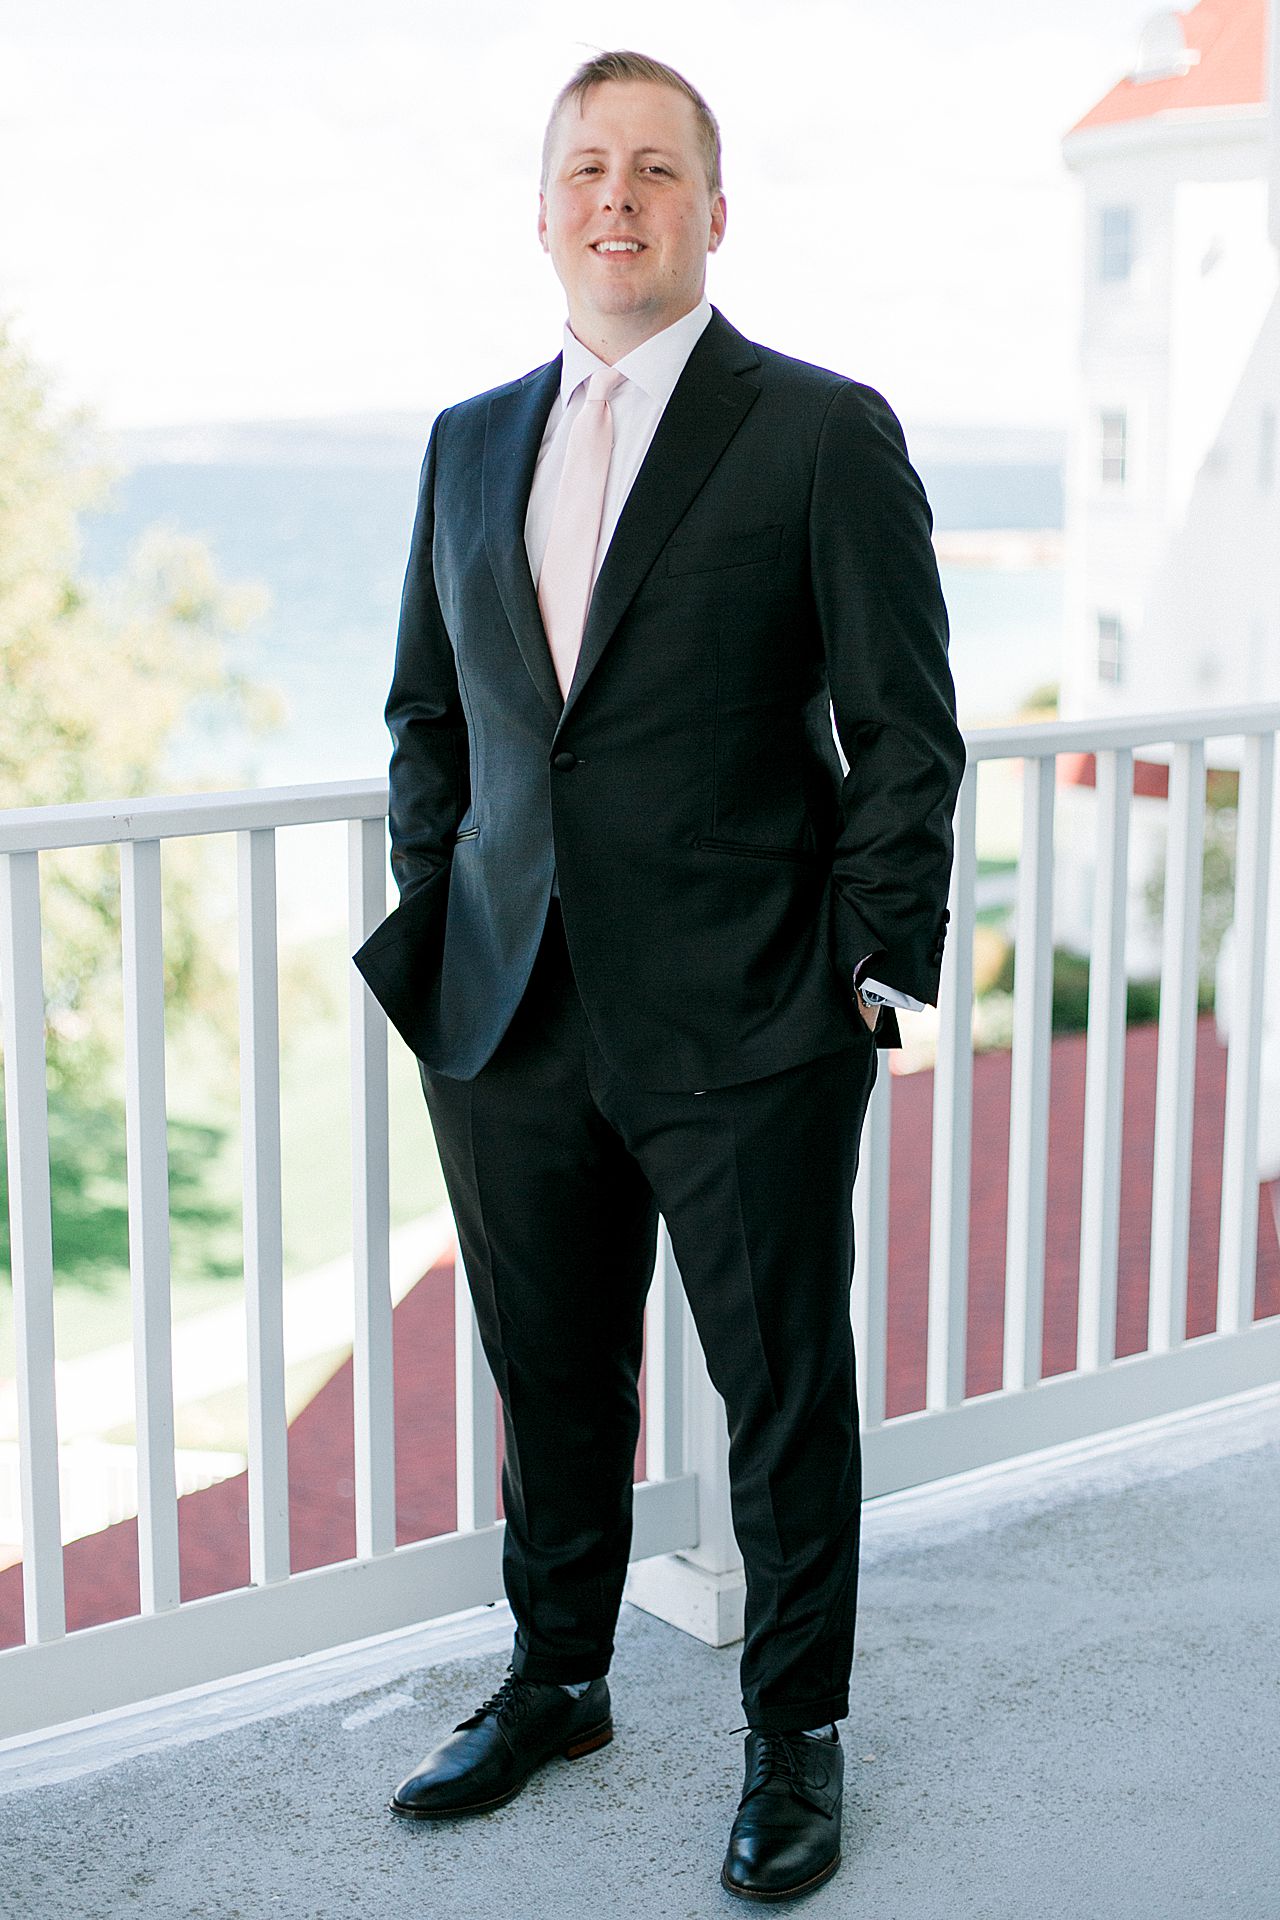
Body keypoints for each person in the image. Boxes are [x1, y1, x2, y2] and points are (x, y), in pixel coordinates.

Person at [354, 47, 964, 1903]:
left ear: (712, 213)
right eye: (584, 169)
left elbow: (906, 734)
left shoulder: (816, 429)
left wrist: (871, 981)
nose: (615, 198)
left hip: (753, 1017)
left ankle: (795, 1736)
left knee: (779, 1391)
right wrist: (450, 908)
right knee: (550, 1375)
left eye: (654, 170)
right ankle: (558, 1678)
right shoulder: (469, 440)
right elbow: (429, 717)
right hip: (508, 1012)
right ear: (544, 212)